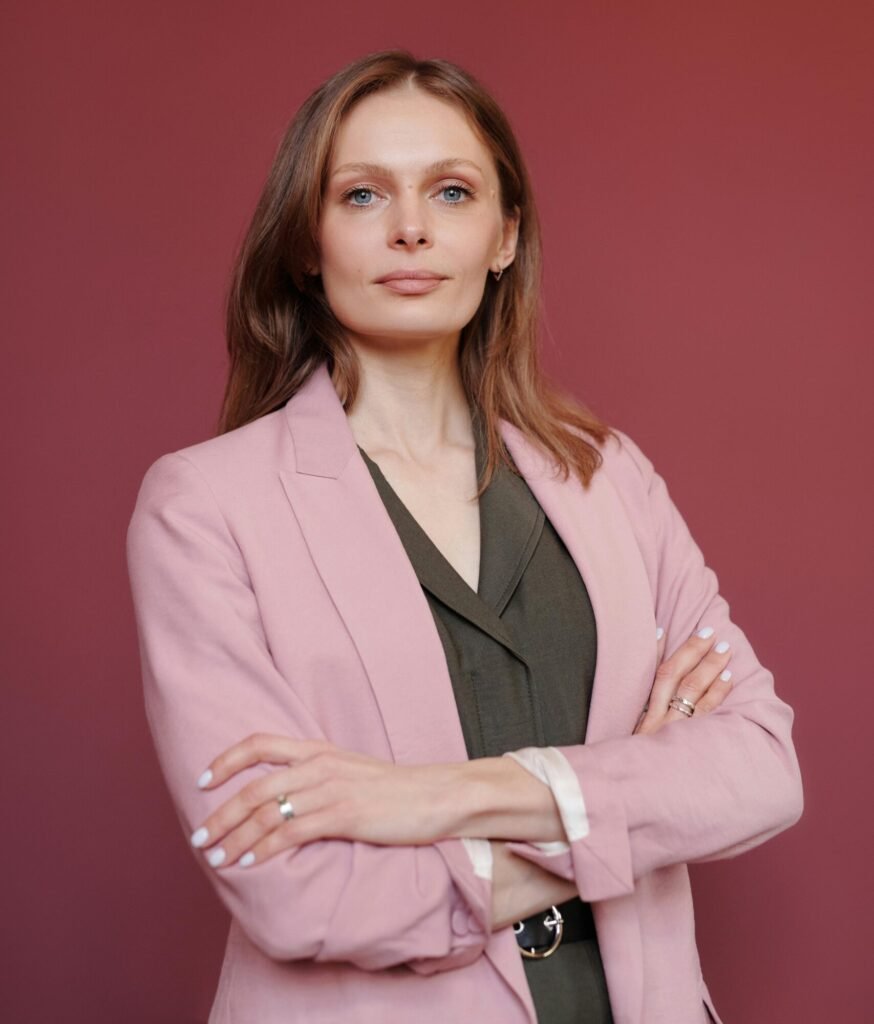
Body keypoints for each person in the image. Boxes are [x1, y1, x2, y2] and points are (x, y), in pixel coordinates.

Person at [125, 50, 803, 1024]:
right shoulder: (203, 506)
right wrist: (628, 804)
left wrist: (423, 800)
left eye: (450, 190)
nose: (410, 227)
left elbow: (759, 771)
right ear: (307, 241)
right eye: (361, 195)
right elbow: (292, 888)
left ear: (502, 235)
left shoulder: (606, 475)